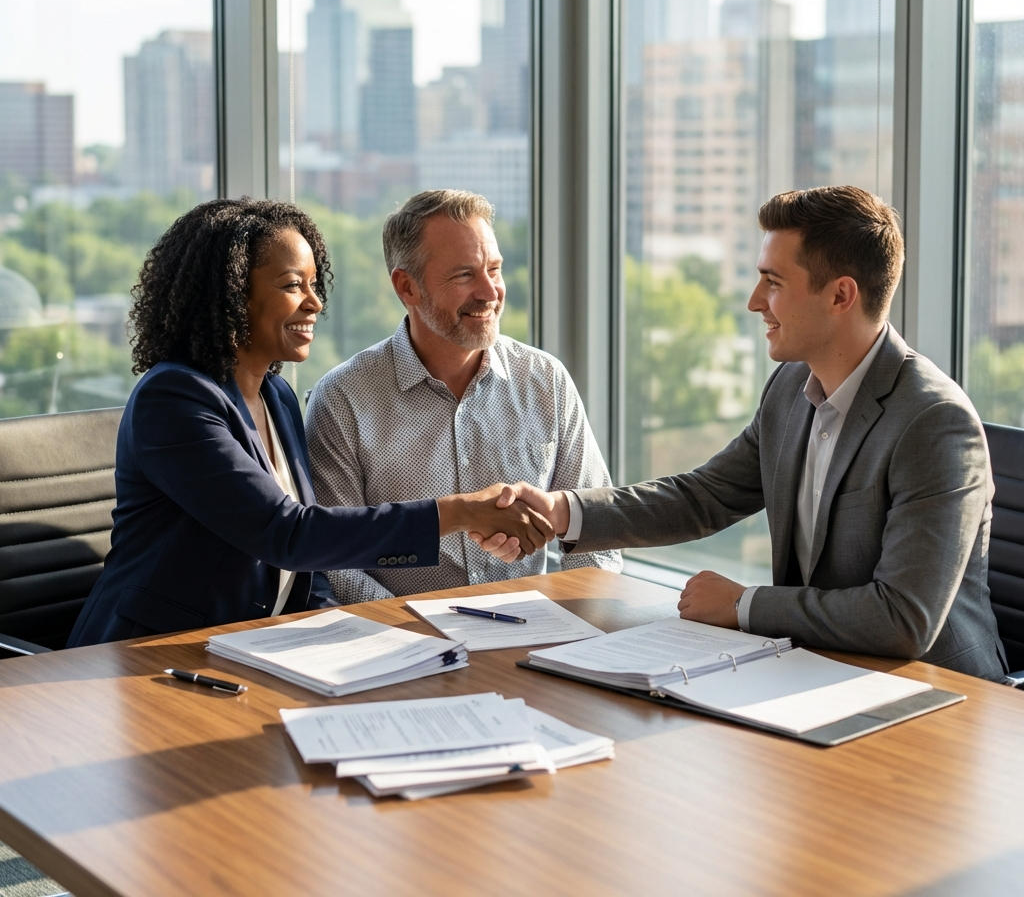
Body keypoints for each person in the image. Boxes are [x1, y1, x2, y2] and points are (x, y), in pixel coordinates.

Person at [494, 186, 1008, 681]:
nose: (754, 301)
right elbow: (704, 497)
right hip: (822, 672)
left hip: (939, 693)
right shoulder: (790, 387)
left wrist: (743, 605)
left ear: (840, 295)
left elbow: (903, 618)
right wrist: (561, 511)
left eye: (774, 282)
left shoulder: (933, 423)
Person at [68, 197, 553, 647]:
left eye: (314, 284)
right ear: (232, 294)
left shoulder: (277, 396)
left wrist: (361, 642)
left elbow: (311, 570)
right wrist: (461, 511)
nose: (315, 302)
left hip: (252, 643)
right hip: (148, 654)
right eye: (292, 285)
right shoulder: (172, 399)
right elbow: (288, 535)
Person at [305, 189, 620, 604]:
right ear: (407, 287)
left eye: (495, 269)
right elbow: (337, 563)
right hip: (403, 647)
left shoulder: (546, 380)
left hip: (533, 633)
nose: (490, 293)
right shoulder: (343, 399)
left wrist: (573, 625)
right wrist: (421, 641)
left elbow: (595, 536)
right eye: (464, 275)